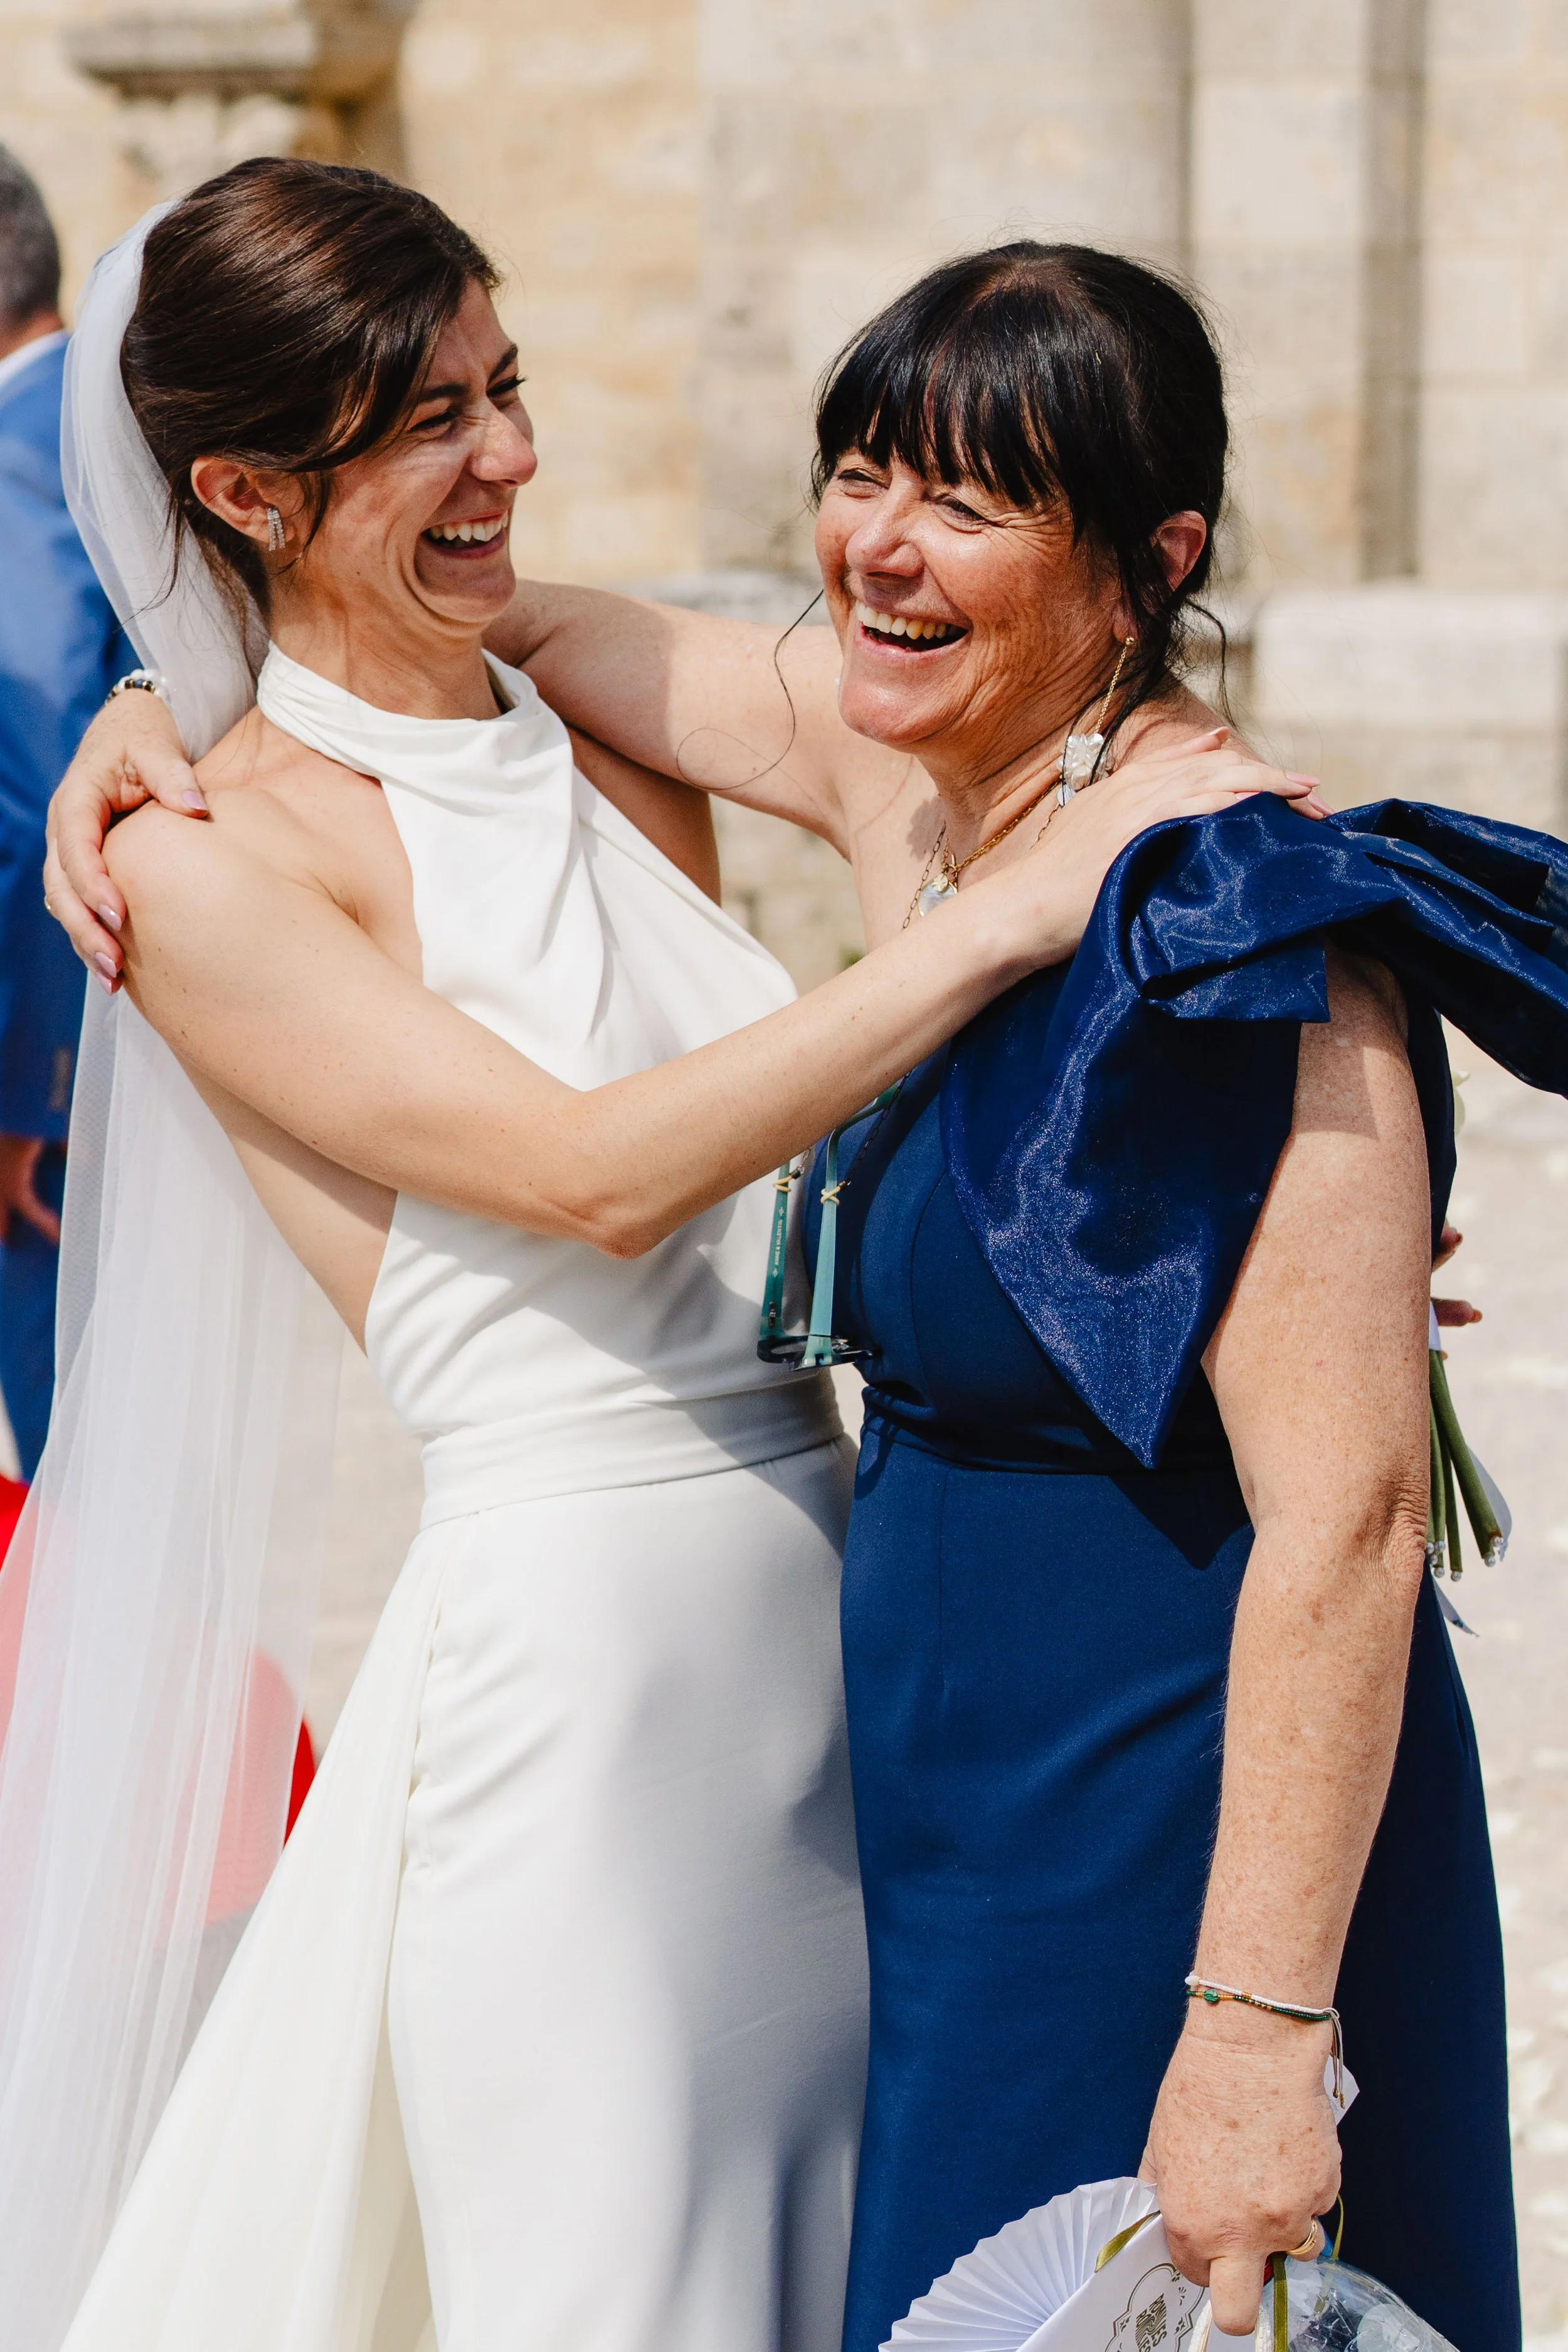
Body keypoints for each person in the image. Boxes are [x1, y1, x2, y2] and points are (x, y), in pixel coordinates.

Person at [48, 242, 1539, 2351]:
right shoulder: (918, 796)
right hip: (909, 1800)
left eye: (966, 500)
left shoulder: (1225, 906)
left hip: (1157, 1807)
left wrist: (1262, 2026)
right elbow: (464, 628)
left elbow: (1358, 1520)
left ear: (1153, 557)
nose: (877, 551)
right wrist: (152, 706)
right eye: (858, 474)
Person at [0, 149, 132, 1479]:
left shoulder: (12, 454)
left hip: (46, 1043)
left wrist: (36, 1094)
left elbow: (43, 768)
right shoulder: (88, 425)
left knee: (70, 1458)